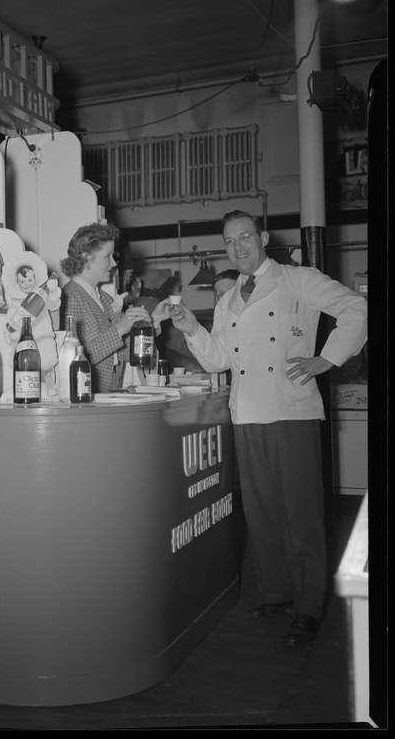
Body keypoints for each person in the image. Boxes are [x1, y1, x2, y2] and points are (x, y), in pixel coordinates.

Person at [168, 210, 367, 647]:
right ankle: (276, 591)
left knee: (302, 514)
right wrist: (192, 330)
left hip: (290, 410)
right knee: (261, 513)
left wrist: (327, 360)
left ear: (263, 237)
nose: (238, 247)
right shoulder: (227, 299)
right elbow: (220, 358)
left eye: (244, 237)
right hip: (248, 412)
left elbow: (357, 307)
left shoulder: (300, 279)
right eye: (229, 241)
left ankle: (309, 606)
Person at [60, 223, 169, 393]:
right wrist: (119, 329)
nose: (113, 263)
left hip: (108, 398)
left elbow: (126, 354)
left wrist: (153, 321)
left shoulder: (105, 299)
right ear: (86, 257)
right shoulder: (69, 297)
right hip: (85, 399)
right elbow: (72, 361)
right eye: (107, 256)